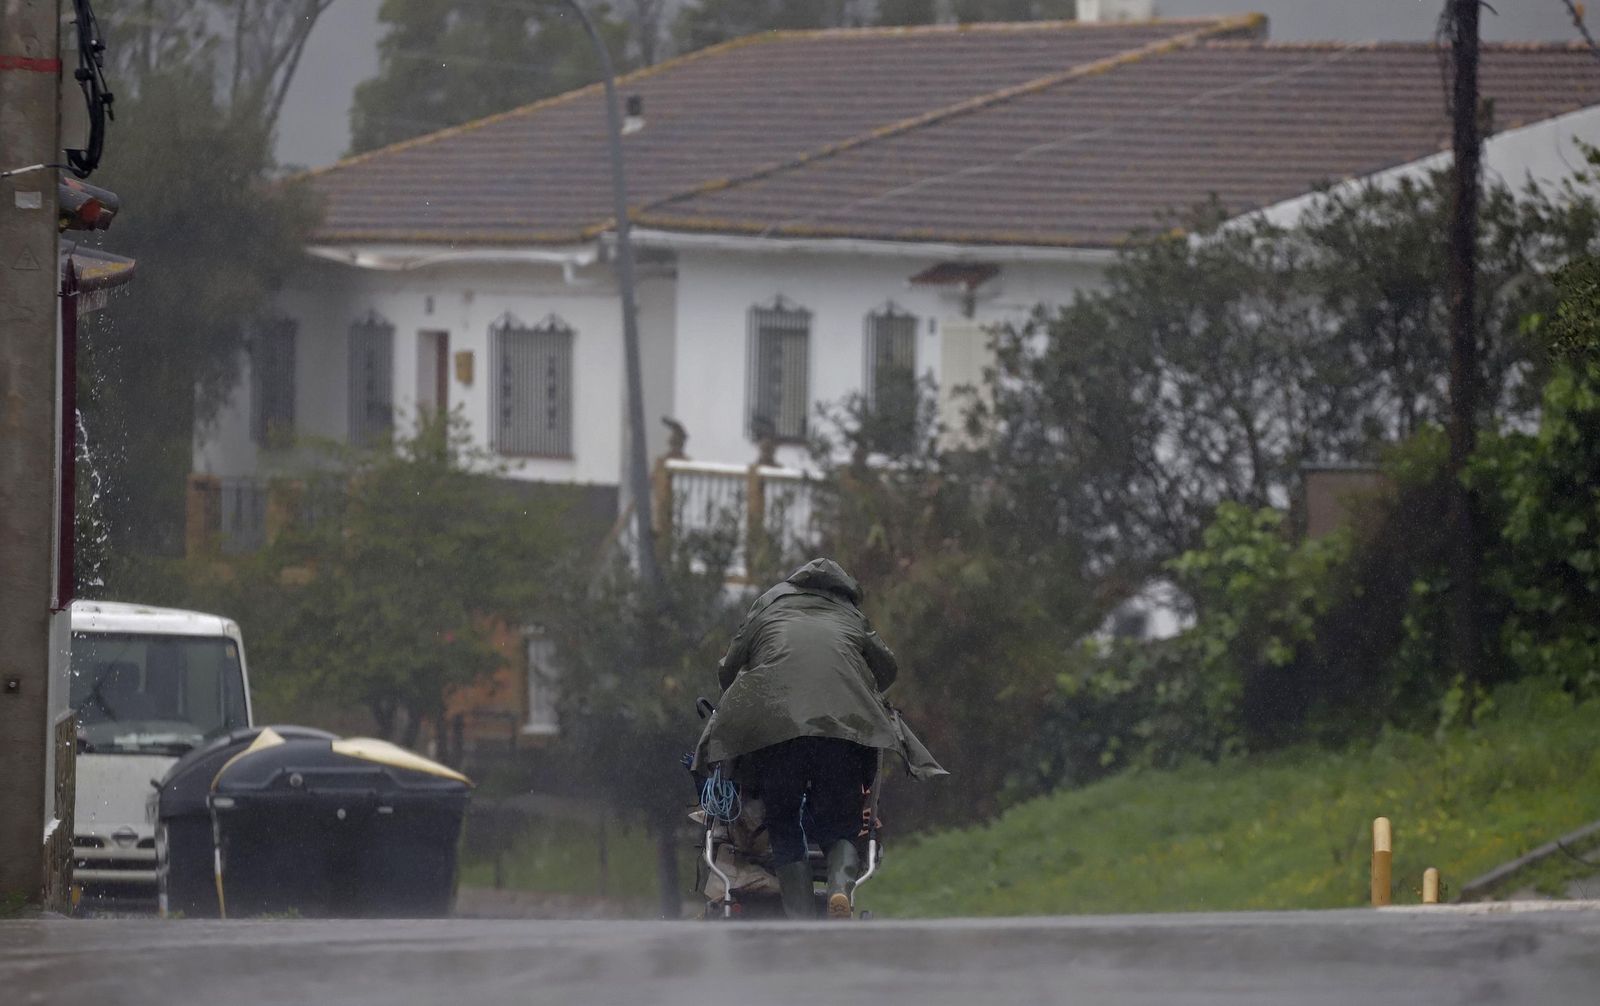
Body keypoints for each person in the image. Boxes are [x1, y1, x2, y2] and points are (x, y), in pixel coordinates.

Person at [693, 558, 944, 920]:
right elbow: (887, 667)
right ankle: (839, 891)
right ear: (841, 588)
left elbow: (727, 668)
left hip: (779, 729)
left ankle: (800, 916)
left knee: (782, 819)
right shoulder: (850, 614)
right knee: (841, 822)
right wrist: (857, 690)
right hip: (841, 732)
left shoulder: (769, 604)